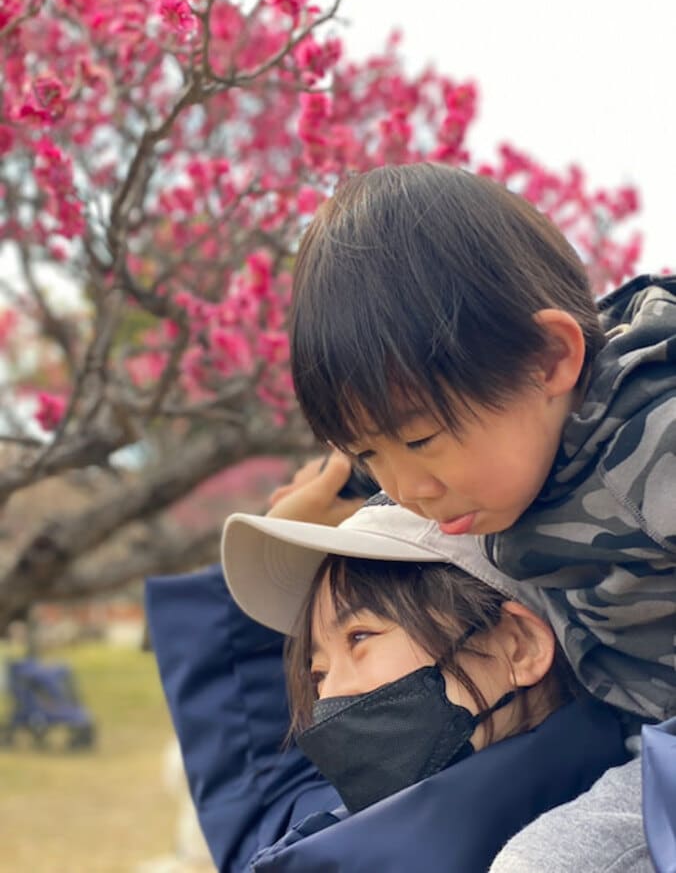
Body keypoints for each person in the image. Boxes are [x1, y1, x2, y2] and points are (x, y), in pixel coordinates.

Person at [287, 163, 676, 869]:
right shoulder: (497, 485)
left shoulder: (652, 441)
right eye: (372, 455)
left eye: (419, 439)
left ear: (550, 357)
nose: (407, 489)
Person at [146, 500, 630, 872]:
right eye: (316, 672)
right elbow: (265, 798)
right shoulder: (358, 826)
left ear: (518, 646)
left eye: (360, 636)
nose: (329, 696)